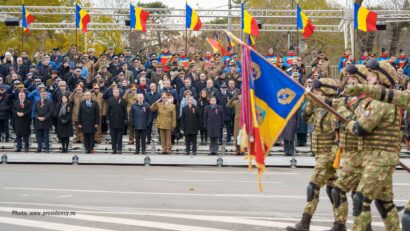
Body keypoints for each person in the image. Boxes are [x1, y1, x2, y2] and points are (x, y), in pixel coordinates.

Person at [344, 60, 401, 230]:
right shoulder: (373, 101)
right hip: (378, 157)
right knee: (385, 203)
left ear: (381, 78)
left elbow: (360, 128)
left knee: (361, 199)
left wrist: (348, 122)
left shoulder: (381, 102)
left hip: (380, 158)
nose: (367, 77)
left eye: (372, 75)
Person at [287, 78, 338, 231]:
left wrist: (333, 156)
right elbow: (307, 117)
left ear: (326, 91)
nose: (315, 92)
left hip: (327, 154)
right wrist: (310, 103)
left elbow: (339, 136)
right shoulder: (319, 108)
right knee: (333, 188)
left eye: (317, 90)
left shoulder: (334, 109)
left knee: (313, 186)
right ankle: (340, 223)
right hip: (319, 153)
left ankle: (305, 223)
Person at [107, 89, 127, 154]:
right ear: (113, 93)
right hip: (112, 120)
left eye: (117, 92)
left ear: (119, 93)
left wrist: (125, 119)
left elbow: (125, 111)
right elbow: (108, 111)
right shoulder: (110, 100)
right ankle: (114, 149)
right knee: (113, 137)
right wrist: (107, 119)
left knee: (119, 137)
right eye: (115, 92)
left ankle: (119, 149)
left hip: (120, 121)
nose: (116, 93)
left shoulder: (122, 100)